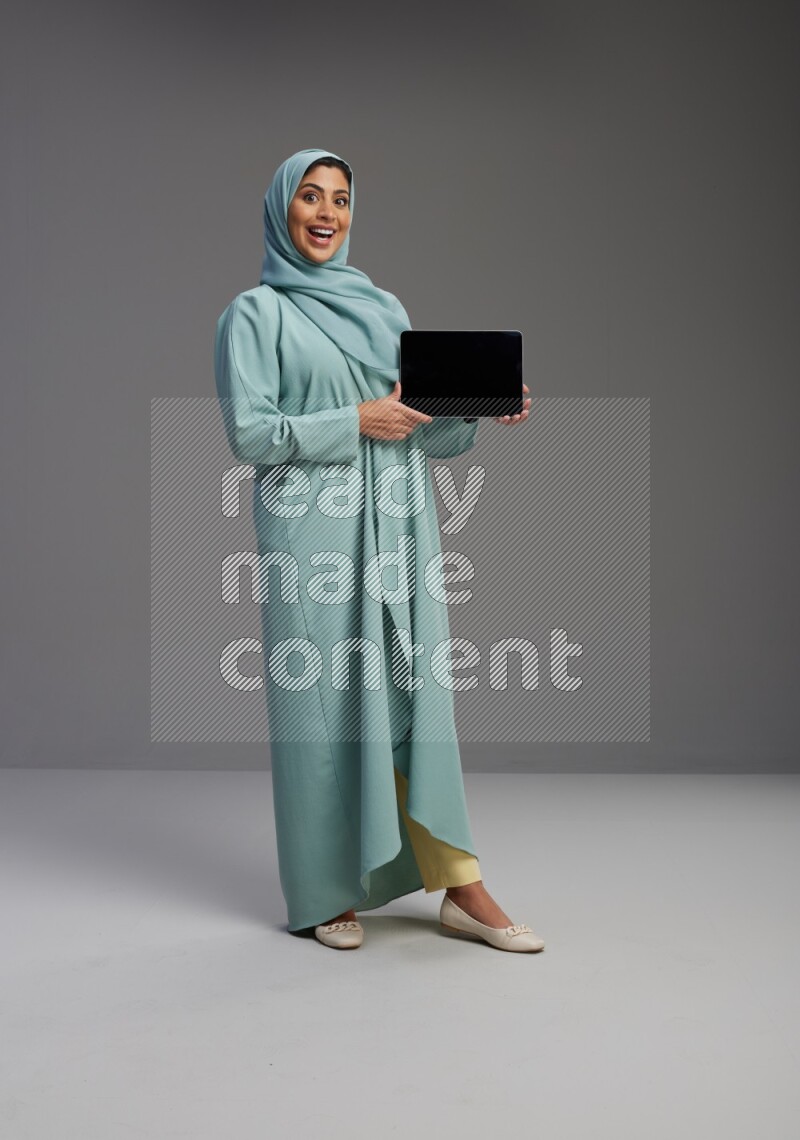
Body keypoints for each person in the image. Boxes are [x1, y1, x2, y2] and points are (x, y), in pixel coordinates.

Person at [214, 148, 543, 953]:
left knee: (415, 692)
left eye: (341, 200)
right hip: (311, 533)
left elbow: (419, 426)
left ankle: (459, 883)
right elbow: (251, 434)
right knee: (321, 706)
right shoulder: (253, 316)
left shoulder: (383, 306)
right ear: (281, 210)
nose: (326, 213)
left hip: (398, 521)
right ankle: (327, 889)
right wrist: (352, 421)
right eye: (309, 197)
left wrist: (477, 411)